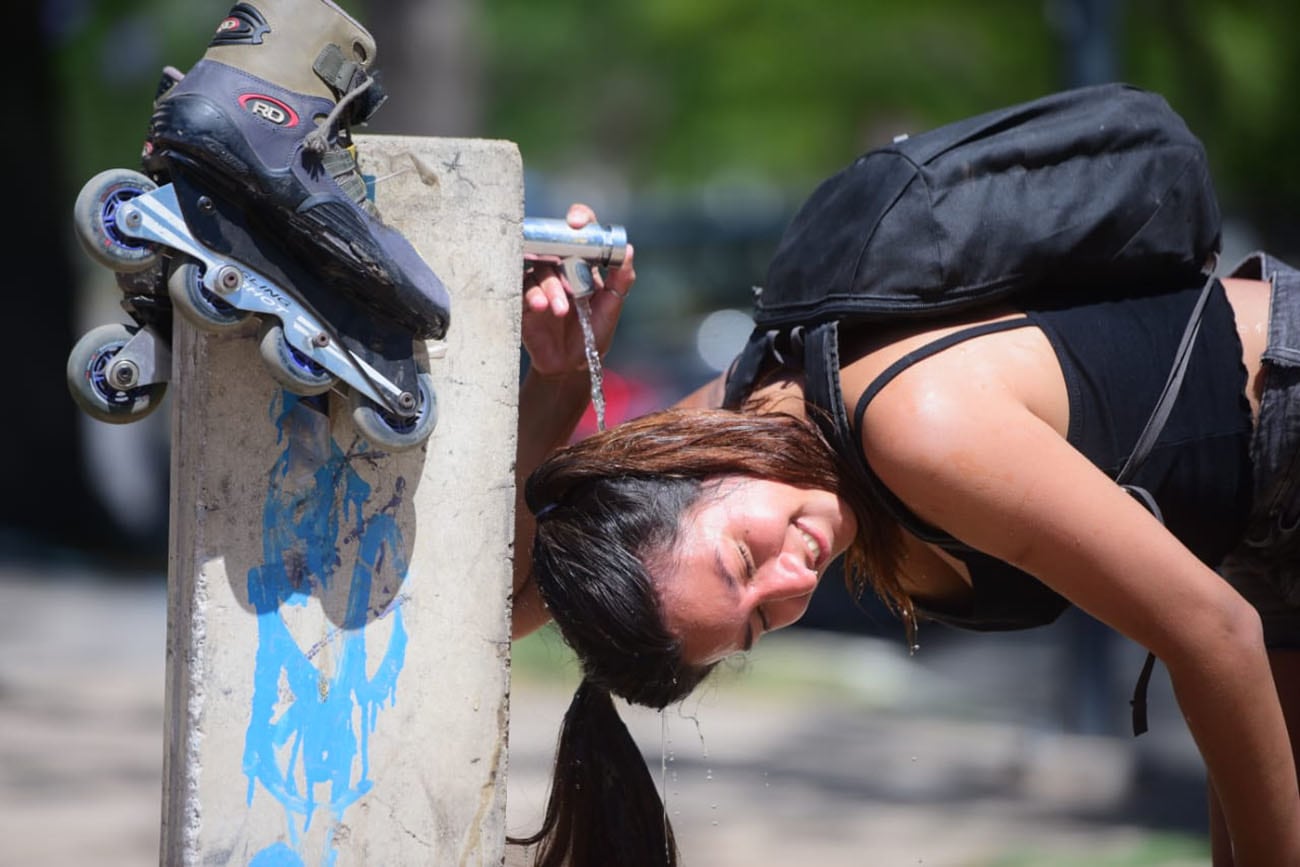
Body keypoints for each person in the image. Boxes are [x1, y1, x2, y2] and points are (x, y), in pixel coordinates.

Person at [510, 183, 1300, 865]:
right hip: (1247, 519)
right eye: (756, 625)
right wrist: (556, 383)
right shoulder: (741, 435)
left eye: (744, 562)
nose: (794, 585)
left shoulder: (912, 429)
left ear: (686, 470)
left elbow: (1213, 634)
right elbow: (504, 607)